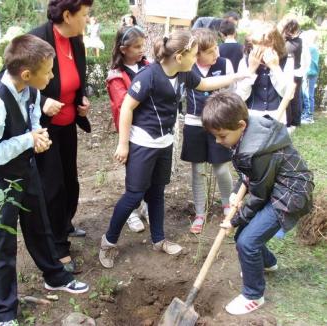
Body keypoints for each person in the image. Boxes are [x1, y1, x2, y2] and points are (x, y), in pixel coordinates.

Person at [99, 30, 247, 269]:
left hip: (164, 144)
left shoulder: (184, 74)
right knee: (134, 195)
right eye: (193, 54)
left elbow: (206, 84)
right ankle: (108, 241)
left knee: (157, 192)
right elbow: (126, 108)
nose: (196, 58)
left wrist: (241, 75)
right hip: (142, 145)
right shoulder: (148, 76)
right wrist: (123, 144)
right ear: (179, 56)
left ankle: (159, 239)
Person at [0, 34, 89, 326]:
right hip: (3, 181)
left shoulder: (31, 91)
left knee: (41, 225)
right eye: (48, 71)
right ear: (27, 73)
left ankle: (54, 276)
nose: (52, 76)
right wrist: (28, 139)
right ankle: (4, 312)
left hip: (28, 170)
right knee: (4, 243)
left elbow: (34, 119)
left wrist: (37, 136)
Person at [201, 90, 313, 315]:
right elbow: (251, 175)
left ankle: (253, 295)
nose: (218, 140)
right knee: (247, 232)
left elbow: (259, 196)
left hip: (289, 195)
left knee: (247, 242)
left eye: (222, 135)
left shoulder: (256, 151)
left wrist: (234, 221)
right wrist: (236, 191)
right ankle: (267, 263)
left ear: (241, 125)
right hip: (274, 185)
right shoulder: (249, 131)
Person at [28, 0, 94, 274]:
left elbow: (80, 77)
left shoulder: (76, 40)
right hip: (45, 128)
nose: (88, 20)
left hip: (67, 124)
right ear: (68, 15)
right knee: (52, 186)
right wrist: (41, 100)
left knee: (70, 181)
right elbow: (11, 82)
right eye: (85, 14)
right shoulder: (36, 40)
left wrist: (83, 98)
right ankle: (57, 247)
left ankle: (64, 223)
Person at [181, 28, 234, 234]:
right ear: (198, 53)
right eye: (211, 51)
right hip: (194, 124)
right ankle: (200, 213)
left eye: (216, 49)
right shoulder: (187, 67)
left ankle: (228, 206)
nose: (216, 55)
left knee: (221, 168)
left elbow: (232, 94)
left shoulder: (224, 64)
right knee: (198, 170)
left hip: (218, 125)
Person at [106, 25, 149, 233]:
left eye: (143, 45)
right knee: (134, 176)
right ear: (123, 49)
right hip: (131, 132)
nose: (142, 50)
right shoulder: (116, 76)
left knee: (149, 174)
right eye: (137, 47)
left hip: (150, 131)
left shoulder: (148, 66)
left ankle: (145, 207)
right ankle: (131, 212)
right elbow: (125, 104)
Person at [235, 22, 293, 125]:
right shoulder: (244, 62)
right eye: (256, 44)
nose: (260, 48)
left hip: (277, 116)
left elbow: (288, 93)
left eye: (266, 44)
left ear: (275, 44)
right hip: (251, 117)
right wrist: (251, 70)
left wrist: (275, 68)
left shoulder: (286, 61)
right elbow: (240, 97)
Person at [280, 18, 304, 128]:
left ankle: (292, 121)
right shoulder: (297, 41)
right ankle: (294, 121)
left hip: (292, 73)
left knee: (291, 98)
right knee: (294, 97)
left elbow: (284, 52)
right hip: (295, 72)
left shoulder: (293, 43)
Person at [300, 30, 319, 124]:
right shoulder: (314, 48)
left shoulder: (310, 48)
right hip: (311, 74)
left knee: (307, 95)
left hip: (309, 74)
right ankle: (306, 113)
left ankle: (309, 117)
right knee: (307, 94)